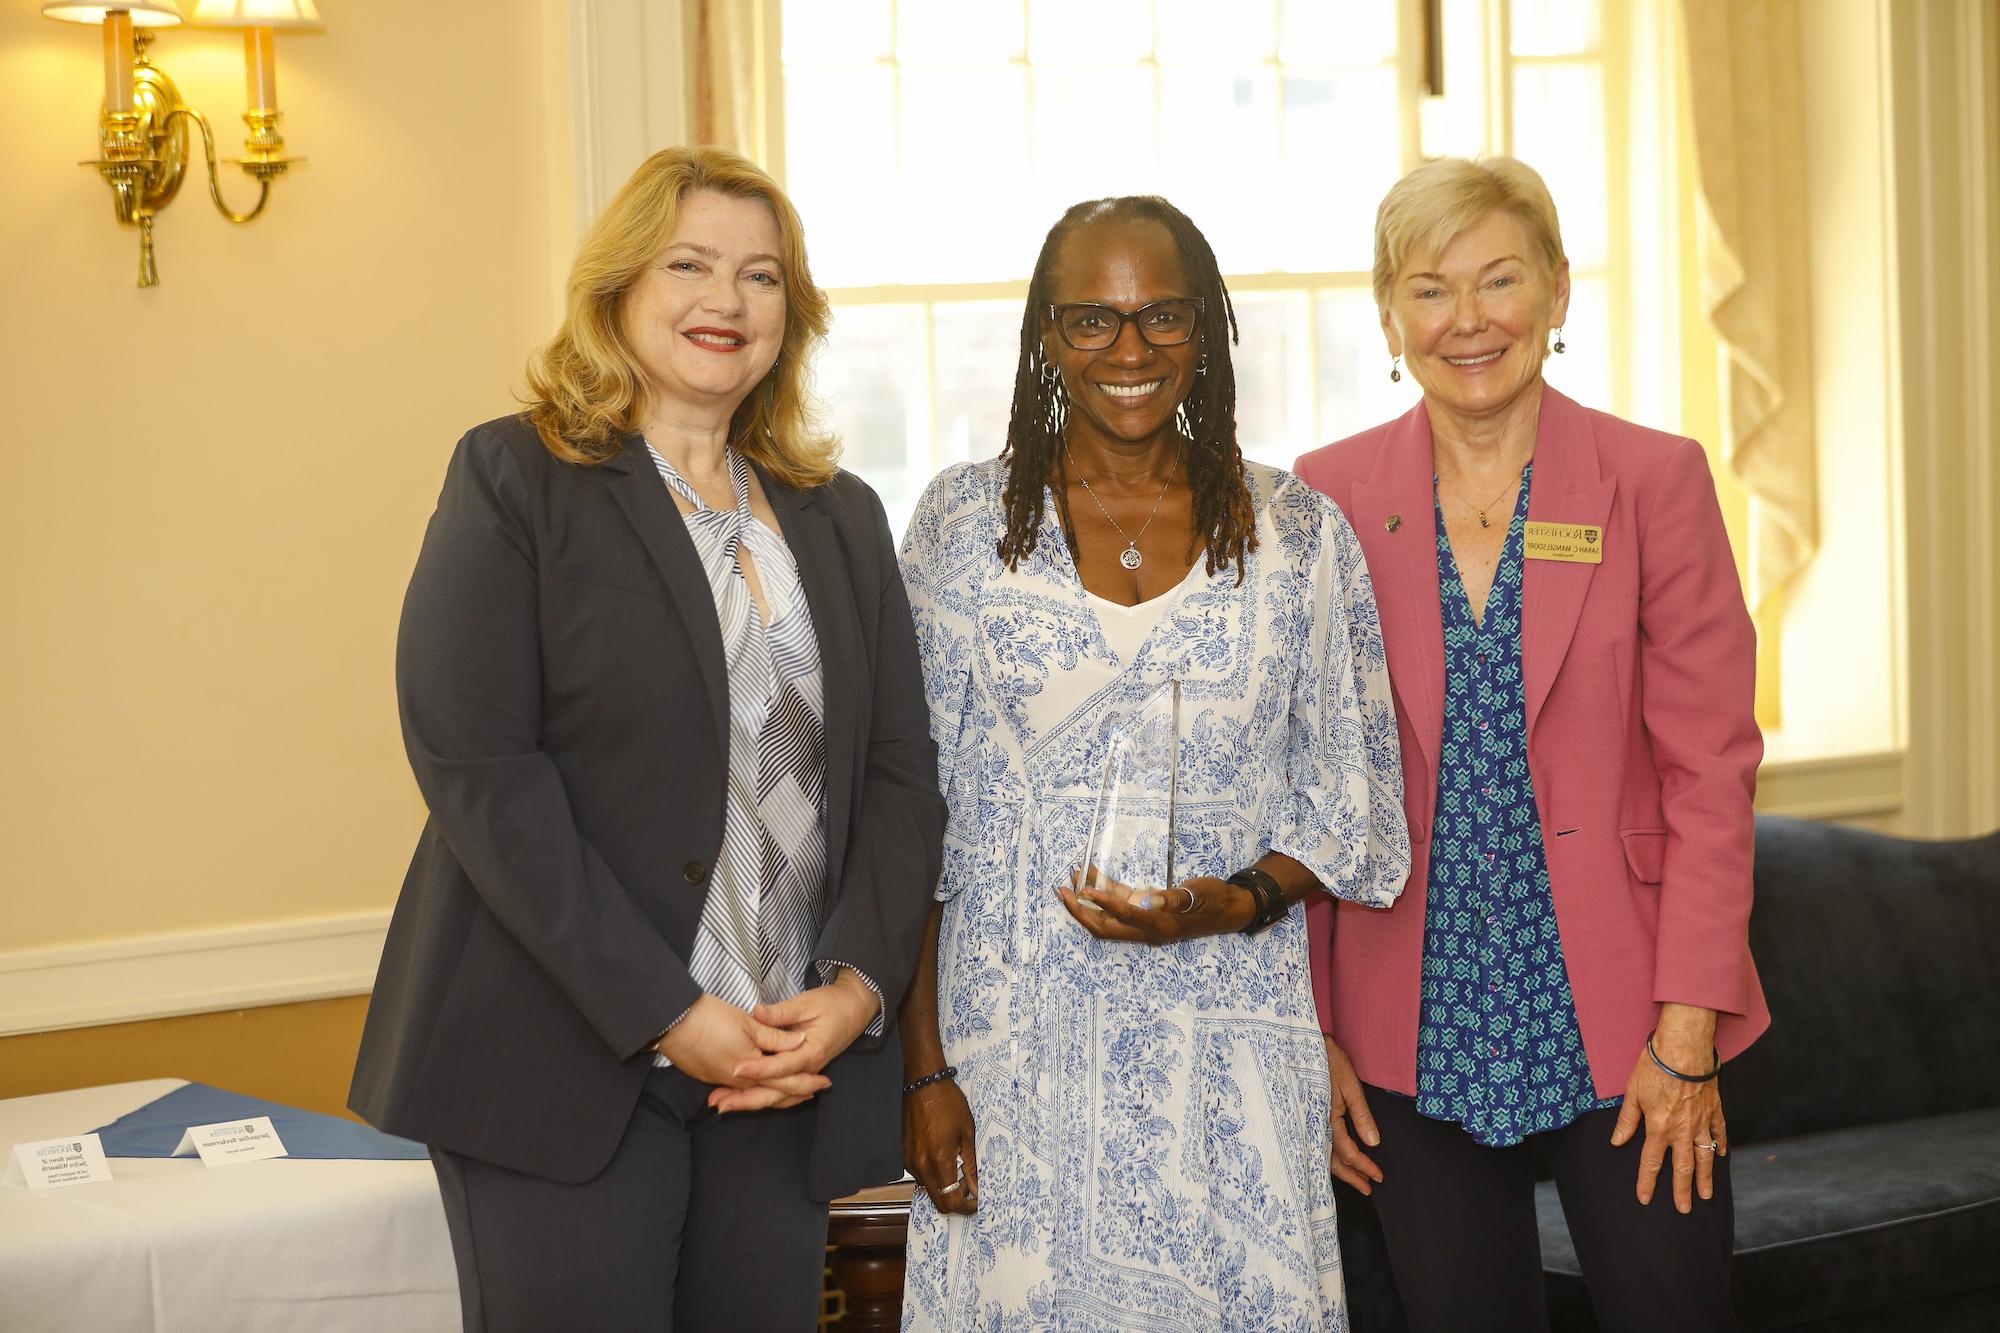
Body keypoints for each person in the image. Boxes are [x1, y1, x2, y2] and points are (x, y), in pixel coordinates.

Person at [347, 146, 944, 1331]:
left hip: (780, 1068)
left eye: (760, 276)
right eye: (689, 265)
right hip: (559, 1067)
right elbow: (480, 772)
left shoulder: (840, 516)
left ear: (793, 312)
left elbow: (898, 776)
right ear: (618, 287)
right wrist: (672, 1016)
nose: (724, 302)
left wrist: (858, 989)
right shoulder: (516, 476)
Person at [895, 195, 1410, 1331]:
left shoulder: (1297, 532)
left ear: (1207, 328)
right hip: (1010, 1050)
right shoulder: (960, 527)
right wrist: (923, 1071)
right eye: (1091, 320)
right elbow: (904, 817)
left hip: (1226, 1049)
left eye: (1160, 316)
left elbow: (1352, 795)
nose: (1128, 352)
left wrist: (1240, 900)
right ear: (1044, 337)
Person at [1294, 156, 1768, 1333]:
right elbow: (1299, 790)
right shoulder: (1324, 498)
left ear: (1556, 292)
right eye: (1429, 289)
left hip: (1628, 1015)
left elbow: (1711, 770)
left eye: (1498, 280)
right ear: (1388, 314)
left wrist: (1688, 1024)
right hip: (1408, 1016)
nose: (1467, 321)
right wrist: (1309, 1033)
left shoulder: (1653, 481)